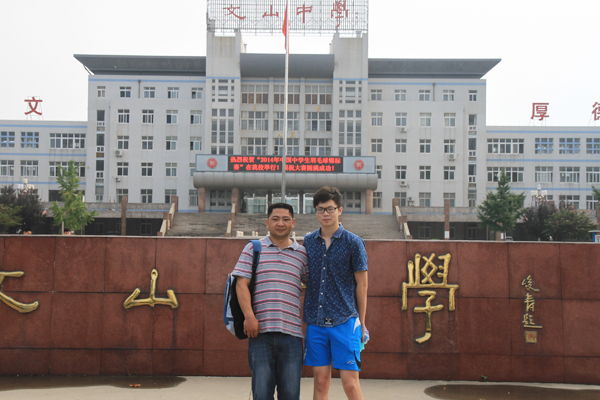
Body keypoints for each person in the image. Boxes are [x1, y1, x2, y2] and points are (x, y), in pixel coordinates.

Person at [232, 203, 309, 400]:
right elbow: (241, 284)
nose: (280, 223)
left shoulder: (302, 254)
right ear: (267, 222)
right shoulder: (253, 248)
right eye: (275, 219)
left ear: (293, 222)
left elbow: (314, 286)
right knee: (261, 394)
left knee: (290, 394)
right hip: (260, 333)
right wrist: (249, 316)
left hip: (292, 335)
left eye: (285, 219)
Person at [303, 186, 368, 400]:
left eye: (330, 209)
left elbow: (362, 285)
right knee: (320, 381)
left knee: (350, 384)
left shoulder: (353, 242)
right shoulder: (309, 242)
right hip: (316, 321)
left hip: (345, 320)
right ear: (315, 211)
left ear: (340, 210)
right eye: (321, 209)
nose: (326, 214)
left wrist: (362, 322)